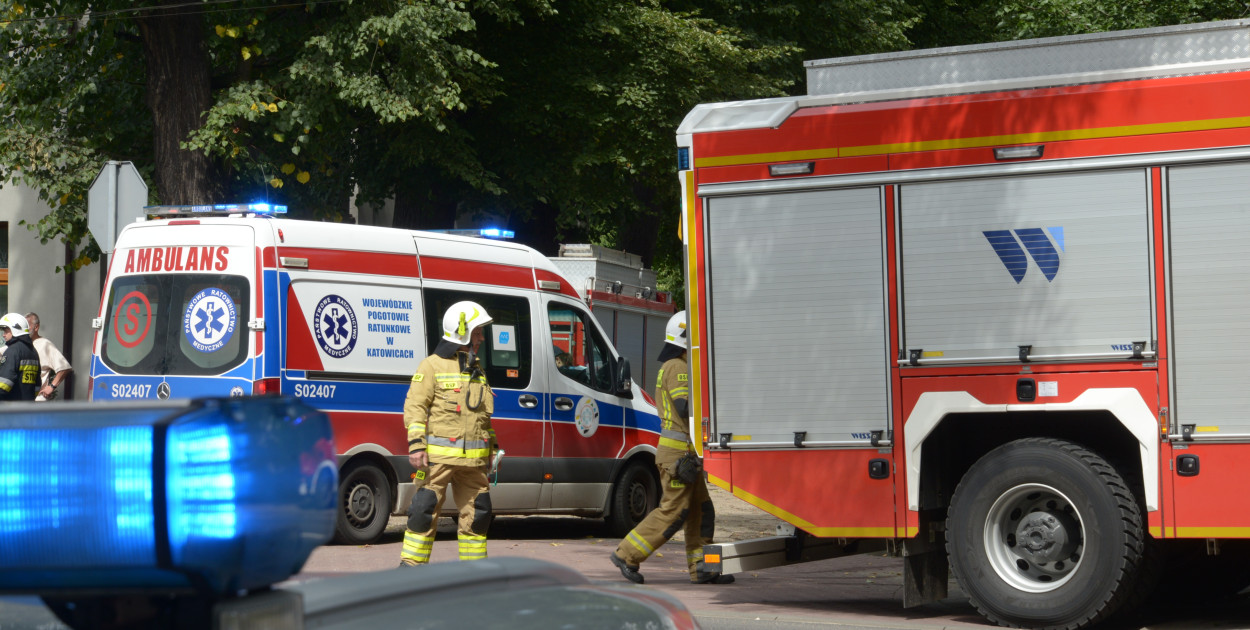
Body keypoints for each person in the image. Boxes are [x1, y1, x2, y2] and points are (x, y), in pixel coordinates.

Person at [609, 310, 734, 585]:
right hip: (678, 457)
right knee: (674, 511)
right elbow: (685, 407)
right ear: (687, 339)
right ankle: (626, 553)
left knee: (703, 510)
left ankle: (703, 568)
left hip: (686, 454)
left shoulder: (678, 366)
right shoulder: (677, 367)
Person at [399, 301, 499, 567]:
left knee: (479, 516)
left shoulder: (478, 370)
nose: (481, 338)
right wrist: (417, 445)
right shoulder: (431, 366)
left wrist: (492, 449)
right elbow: (415, 406)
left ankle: (474, 573)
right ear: (462, 332)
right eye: (477, 332)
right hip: (437, 461)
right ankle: (411, 569)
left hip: (473, 464)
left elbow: (482, 416)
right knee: (423, 510)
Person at [26, 312, 72, 401]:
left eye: (27, 326)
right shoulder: (21, 345)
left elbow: (64, 367)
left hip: (37, 400)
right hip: (23, 400)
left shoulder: (45, 344)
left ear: (36, 327)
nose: (24, 330)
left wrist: (51, 387)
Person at [0, 312, 41, 401]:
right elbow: (37, 386)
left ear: (16, 330)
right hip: (26, 408)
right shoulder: (33, 351)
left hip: (11, 408)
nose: (3, 335)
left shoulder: (13, 350)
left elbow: (3, 384)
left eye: (6, 331)